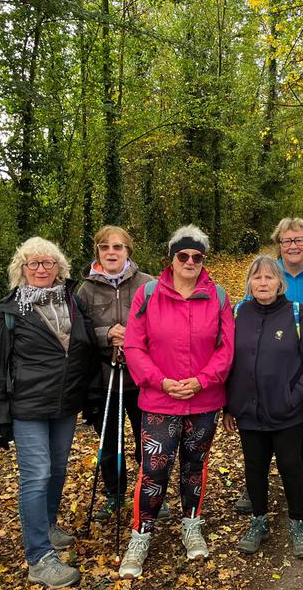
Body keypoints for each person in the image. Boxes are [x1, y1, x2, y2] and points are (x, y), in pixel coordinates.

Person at [0, 237, 102, 588]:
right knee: (37, 475)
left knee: (58, 469)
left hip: (64, 404)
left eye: (48, 263)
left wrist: (90, 397)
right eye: (32, 264)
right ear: (21, 269)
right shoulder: (10, 312)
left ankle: (47, 525)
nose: (41, 269)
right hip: (28, 406)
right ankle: (39, 557)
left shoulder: (72, 302)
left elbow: (86, 351)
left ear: (59, 268)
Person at [118, 225, 234, 579]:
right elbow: (135, 346)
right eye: (183, 255)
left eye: (197, 256)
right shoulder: (149, 294)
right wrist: (161, 381)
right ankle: (141, 535)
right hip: (158, 399)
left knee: (194, 467)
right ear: (172, 256)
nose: (190, 261)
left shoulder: (219, 296)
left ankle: (191, 523)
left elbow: (226, 349)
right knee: (153, 470)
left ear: (203, 259)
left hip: (203, 400)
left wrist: (200, 381)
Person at [223, 256, 303, 558]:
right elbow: (228, 362)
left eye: (269, 278)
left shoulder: (297, 314)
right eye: (257, 278)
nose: (263, 283)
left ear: (279, 282)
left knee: (290, 466)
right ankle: (259, 520)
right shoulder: (238, 313)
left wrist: (294, 398)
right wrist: (229, 405)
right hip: (248, 411)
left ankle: (297, 521)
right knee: (254, 467)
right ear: (249, 284)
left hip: (287, 413)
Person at [236, 217, 303, 516]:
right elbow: (246, 320)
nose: (293, 246)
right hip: (268, 371)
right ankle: (255, 488)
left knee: (298, 432)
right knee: (260, 438)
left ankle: (297, 484)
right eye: (287, 241)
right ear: (278, 245)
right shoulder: (266, 273)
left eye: (299, 240)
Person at [77, 226, 156, 521]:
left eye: (118, 247)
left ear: (128, 252)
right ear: (98, 251)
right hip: (104, 380)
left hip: (142, 380)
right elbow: (78, 333)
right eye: (105, 247)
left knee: (148, 441)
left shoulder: (148, 284)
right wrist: (106, 333)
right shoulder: (85, 290)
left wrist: (133, 335)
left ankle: (150, 492)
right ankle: (114, 494)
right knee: (110, 444)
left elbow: (163, 326)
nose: (111, 252)